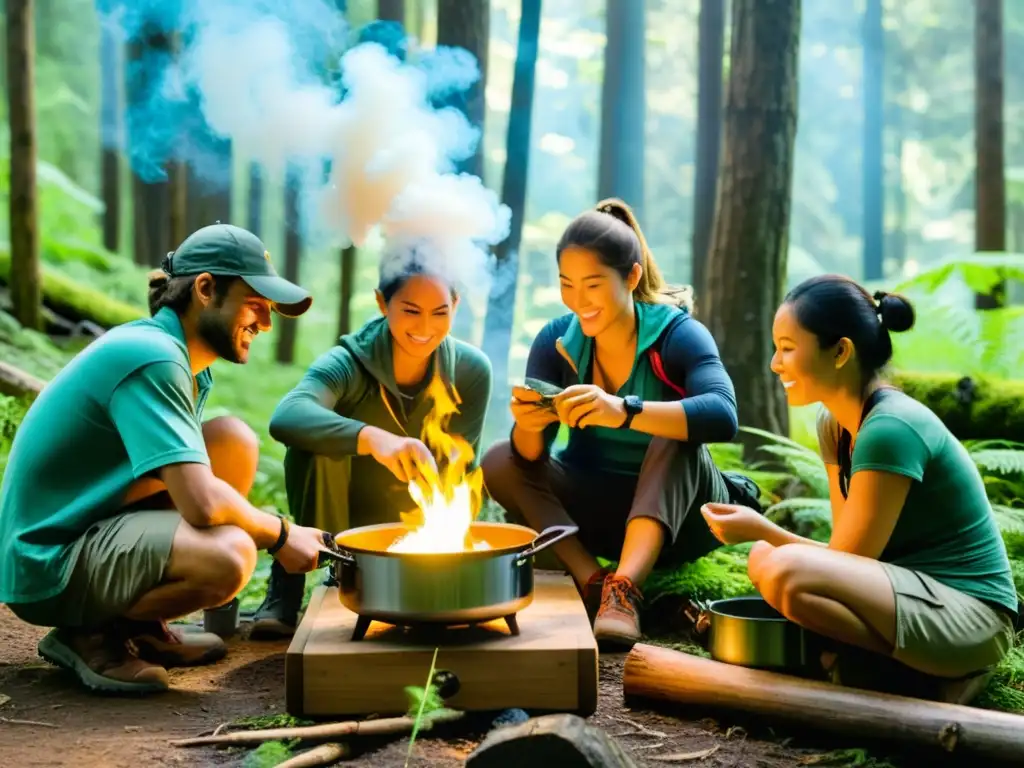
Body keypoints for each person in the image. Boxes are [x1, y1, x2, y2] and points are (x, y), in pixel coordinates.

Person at [0, 223, 330, 695]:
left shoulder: (181, 362)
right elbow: (198, 502)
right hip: (48, 558)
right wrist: (280, 534)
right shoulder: (152, 358)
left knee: (232, 440)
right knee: (230, 556)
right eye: (256, 305)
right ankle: (92, 634)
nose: (266, 323)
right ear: (205, 289)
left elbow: (182, 480)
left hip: (88, 524)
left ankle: (140, 624)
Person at [701, 274, 1018, 693]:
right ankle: (896, 672)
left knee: (782, 566)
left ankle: (937, 676)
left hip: (972, 619)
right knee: (766, 560)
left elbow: (849, 562)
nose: (775, 364)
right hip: (910, 595)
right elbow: (842, 553)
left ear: (840, 351)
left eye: (788, 349)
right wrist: (762, 538)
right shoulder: (835, 425)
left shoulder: (890, 429)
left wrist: (760, 528)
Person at [481, 199, 755, 648]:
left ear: (630, 277)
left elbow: (723, 415)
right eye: (567, 285)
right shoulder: (556, 342)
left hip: (685, 518)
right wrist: (528, 423)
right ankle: (595, 584)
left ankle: (625, 590)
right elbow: (528, 460)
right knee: (498, 458)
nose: (578, 301)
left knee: (671, 431)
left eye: (593, 284)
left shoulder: (677, 334)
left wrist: (624, 410)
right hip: (597, 507)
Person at [251, 247, 493, 638]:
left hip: (417, 520)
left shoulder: (470, 369)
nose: (425, 327)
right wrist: (373, 439)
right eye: (411, 310)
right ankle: (291, 581)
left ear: (456, 303)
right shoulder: (349, 362)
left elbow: (460, 472)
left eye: (440, 312)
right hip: (342, 515)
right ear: (382, 302)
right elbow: (287, 416)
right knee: (315, 445)